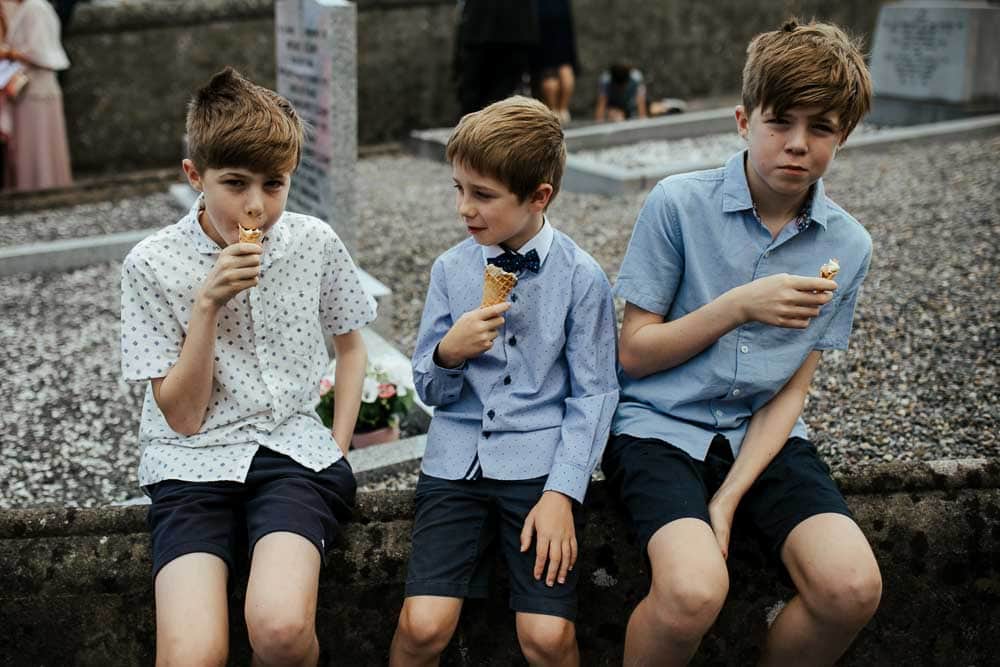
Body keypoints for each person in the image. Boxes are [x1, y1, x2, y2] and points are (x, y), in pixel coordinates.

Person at [602, 19, 882, 666]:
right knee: (693, 590)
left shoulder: (849, 245)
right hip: (658, 426)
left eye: (822, 129)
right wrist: (736, 307)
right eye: (780, 121)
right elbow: (634, 354)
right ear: (742, 119)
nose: (797, 145)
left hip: (764, 435)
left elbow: (795, 387)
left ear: (845, 136)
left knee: (852, 586)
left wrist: (727, 498)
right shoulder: (677, 204)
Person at [120, 67, 375, 666]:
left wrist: (337, 443)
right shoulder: (151, 264)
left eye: (274, 183)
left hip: (292, 455)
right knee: (193, 654)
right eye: (234, 183)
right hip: (190, 464)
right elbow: (181, 417)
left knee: (280, 630)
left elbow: (352, 345)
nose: (256, 204)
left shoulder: (313, 241)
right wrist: (207, 304)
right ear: (194, 176)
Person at [389, 96, 619, 667]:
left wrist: (564, 492)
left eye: (483, 195)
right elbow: (430, 389)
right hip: (455, 464)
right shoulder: (451, 269)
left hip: (539, 470)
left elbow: (595, 394)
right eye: (458, 189)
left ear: (539, 196)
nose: (465, 208)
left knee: (545, 636)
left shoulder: (582, 277)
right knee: (422, 626)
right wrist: (448, 353)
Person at [0, 0, 72, 191]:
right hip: (35, 89)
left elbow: (41, 52)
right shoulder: (32, 7)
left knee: (37, 146)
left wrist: (9, 53)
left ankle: (38, 188)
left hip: (35, 89)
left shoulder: (34, 8)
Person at [454, 0, 539, 116]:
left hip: (483, 30)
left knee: (477, 93)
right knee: (499, 93)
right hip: (515, 30)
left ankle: (479, 127)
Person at [532, 0, 577, 124]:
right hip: (562, 17)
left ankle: (553, 110)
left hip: (542, 18)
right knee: (565, 65)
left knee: (549, 69)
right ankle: (563, 109)